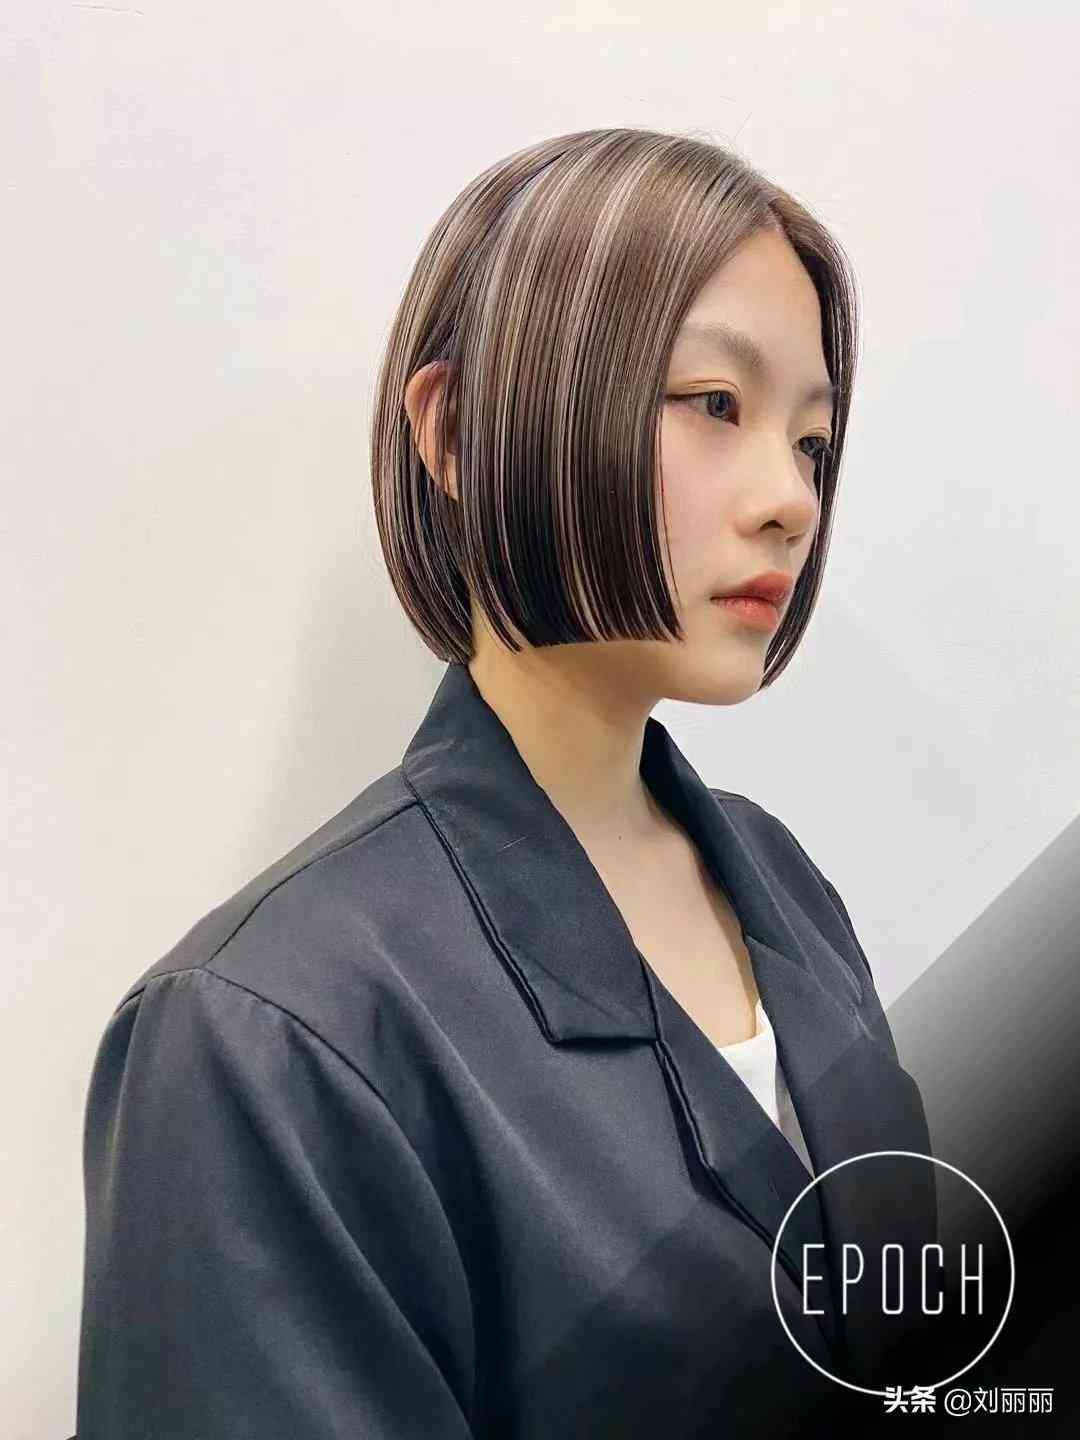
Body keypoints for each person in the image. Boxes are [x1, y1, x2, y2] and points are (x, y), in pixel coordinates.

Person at [75, 127, 936, 1438]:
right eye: (716, 404)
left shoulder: (783, 889)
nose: (791, 500)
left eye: (812, 441)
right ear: (458, 428)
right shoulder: (269, 1034)